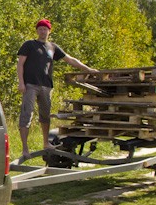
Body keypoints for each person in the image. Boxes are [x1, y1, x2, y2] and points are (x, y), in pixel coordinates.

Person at [16, 19, 97, 160]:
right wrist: (21, 83)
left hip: (46, 86)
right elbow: (20, 64)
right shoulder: (29, 45)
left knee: (45, 115)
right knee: (26, 115)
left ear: (49, 31)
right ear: (37, 31)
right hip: (30, 85)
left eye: (45, 29)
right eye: (40, 29)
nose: (42, 31)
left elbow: (70, 59)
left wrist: (88, 69)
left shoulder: (52, 47)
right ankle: (25, 148)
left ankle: (46, 143)